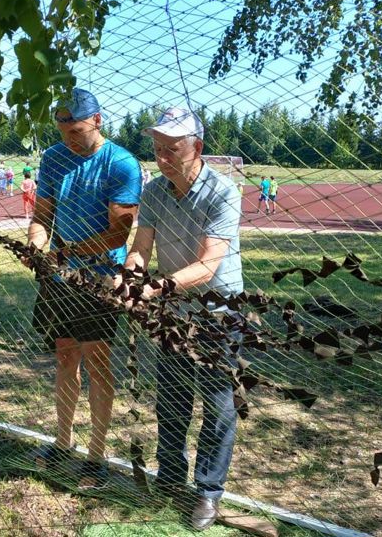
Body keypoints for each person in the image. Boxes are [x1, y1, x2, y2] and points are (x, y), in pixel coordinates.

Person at [117, 107, 243, 531]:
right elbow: (140, 249)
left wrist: (154, 289)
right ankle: (170, 481)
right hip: (172, 314)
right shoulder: (154, 192)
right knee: (171, 402)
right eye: (156, 149)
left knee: (219, 408)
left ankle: (208, 493)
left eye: (172, 149)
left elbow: (208, 266)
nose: (163, 158)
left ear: (197, 147)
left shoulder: (222, 192)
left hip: (216, 315)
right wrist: (130, 279)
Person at [27, 88, 142, 488]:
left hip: (99, 277)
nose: (69, 140)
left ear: (97, 120)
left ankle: (96, 455)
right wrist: (36, 245)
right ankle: (62, 443)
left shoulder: (122, 163)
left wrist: (68, 251)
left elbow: (117, 234)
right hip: (59, 276)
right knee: (64, 357)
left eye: (75, 131)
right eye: (62, 131)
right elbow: (42, 217)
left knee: (97, 362)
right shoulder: (54, 158)